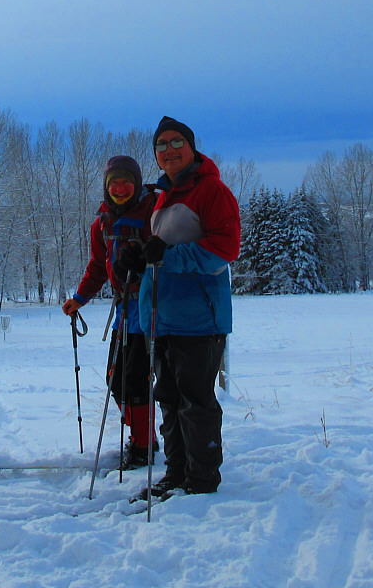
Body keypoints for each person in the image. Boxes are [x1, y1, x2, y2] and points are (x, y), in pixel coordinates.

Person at [116, 116, 241, 497]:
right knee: (168, 399)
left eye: (176, 143)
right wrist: (138, 258)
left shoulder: (212, 191)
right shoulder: (163, 196)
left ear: (191, 146)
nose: (169, 151)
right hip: (162, 316)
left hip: (199, 319)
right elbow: (160, 251)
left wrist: (166, 256)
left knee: (196, 402)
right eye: (161, 145)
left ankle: (201, 481)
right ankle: (176, 474)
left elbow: (225, 249)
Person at [62, 155, 158, 470]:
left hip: (149, 308)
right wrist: (80, 298)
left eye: (126, 181)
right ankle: (140, 437)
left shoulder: (151, 213)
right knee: (115, 379)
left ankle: (144, 447)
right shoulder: (102, 223)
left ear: (137, 183)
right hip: (123, 310)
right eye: (113, 182)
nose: (120, 188)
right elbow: (97, 266)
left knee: (136, 379)